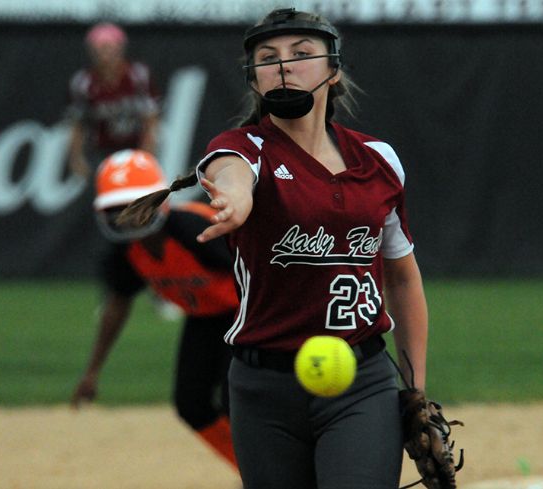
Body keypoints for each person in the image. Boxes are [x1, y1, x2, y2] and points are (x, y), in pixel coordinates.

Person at [119, 7, 428, 489]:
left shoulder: (378, 161)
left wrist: (415, 390)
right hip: (262, 388)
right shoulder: (242, 148)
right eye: (269, 57)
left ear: (334, 68)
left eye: (302, 53)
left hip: (360, 379)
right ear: (254, 79)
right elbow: (231, 170)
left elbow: (403, 278)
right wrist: (237, 197)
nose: (284, 64)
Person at [70, 149, 238, 469]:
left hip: (249, 315)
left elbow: (262, 274)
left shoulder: (196, 230)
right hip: (205, 318)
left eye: (138, 203)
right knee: (191, 404)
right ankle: (253, 470)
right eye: (119, 208)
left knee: (240, 401)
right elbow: (117, 305)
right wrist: (93, 371)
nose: (131, 215)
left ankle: (280, 471)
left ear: (161, 200)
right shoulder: (126, 253)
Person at [66, 23, 160, 178]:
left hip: (135, 147)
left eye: (110, 48)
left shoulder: (137, 75)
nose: (106, 55)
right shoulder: (83, 82)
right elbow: (77, 123)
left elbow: (151, 118)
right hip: (102, 150)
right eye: (100, 49)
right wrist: (76, 157)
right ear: (92, 52)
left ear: (120, 48)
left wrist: (147, 153)